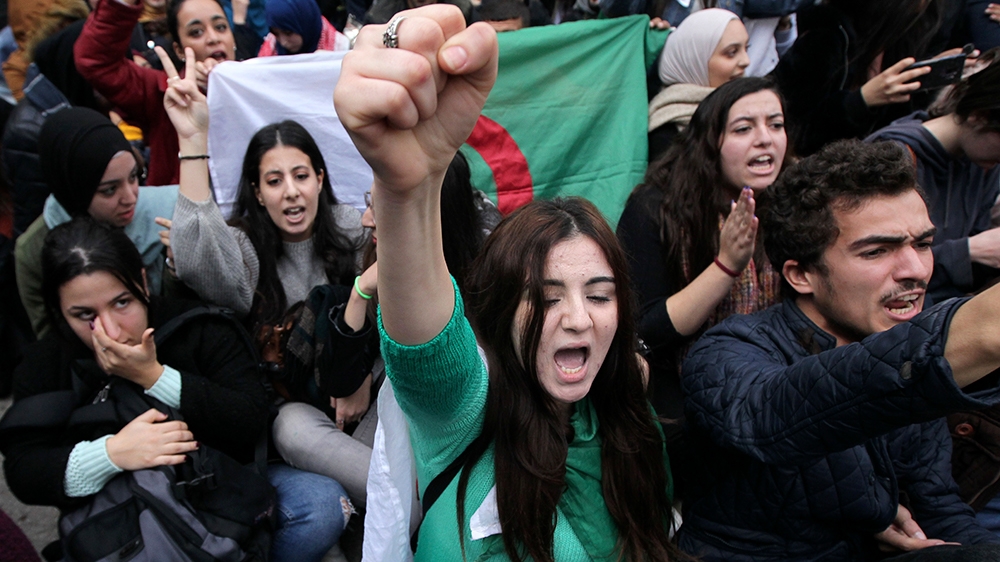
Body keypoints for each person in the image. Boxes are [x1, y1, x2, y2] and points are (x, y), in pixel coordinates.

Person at [335, 6, 680, 559]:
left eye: (598, 294)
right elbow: (427, 347)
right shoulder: (467, 412)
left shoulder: (633, 428)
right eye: (545, 297)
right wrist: (407, 189)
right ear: (500, 311)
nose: (578, 317)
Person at [679, 139, 1000, 561]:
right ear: (801, 274)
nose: (915, 271)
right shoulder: (728, 351)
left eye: (922, 244)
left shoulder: (908, 351)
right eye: (877, 251)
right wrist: (964, 337)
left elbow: (939, 504)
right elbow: (770, 417)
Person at [0, 217, 353, 562]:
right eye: (84, 315)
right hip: (121, 522)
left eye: (122, 303)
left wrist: (155, 377)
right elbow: (24, 470)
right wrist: (110, 454)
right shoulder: (47, 362)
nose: (110, 330)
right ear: (61, 312)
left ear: (142, 281)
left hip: (218, 496)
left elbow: (251, 419)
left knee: (320, 505)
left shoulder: (198, 327)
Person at [155, 47, 376, 516]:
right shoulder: (246, 249)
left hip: (368, 392)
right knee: (292, 427)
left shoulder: (355, 228)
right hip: (300, 415)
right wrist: (193, 138)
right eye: (274, 181)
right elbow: (198, 263)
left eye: (301, 175)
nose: (291, 191)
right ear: (257, 192)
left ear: (320, 178)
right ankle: (412, 511)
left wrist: (356, 379)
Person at [618, 76, 786, 423]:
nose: (765, 139)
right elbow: (645, 331)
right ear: (710, 143)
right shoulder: (654, 209)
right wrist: (726, 266)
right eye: (743, 129)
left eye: (776, 124)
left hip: (777, 387)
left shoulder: (793, 199)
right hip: (684, 405)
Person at [14, 107, 178, 340]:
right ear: (73, 191)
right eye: (109, 190)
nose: (131, 197)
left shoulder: (167, 213)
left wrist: (176, 269)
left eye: (134, 177)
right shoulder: (34, 250)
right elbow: (51, 338)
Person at [74, 0, 259, 186]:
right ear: (179, 50)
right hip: (180, 211)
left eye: (220, 27)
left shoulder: (258, 85)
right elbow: (95, 61)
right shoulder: (163, 93)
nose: (213, 38)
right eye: (196, 32)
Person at [866, 53, 1000, 305]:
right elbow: (872, 268)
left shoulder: (984, 163)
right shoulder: (895, 156)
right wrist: (967, 252)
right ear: (979, 117)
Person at [771, 0, 963, 156]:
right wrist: (861, 101)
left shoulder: (903, 42)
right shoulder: (827, 39)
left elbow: (898, 129)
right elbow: (795, 133)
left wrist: (927, 78)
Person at [647, 8, 749, 161]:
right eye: (732, 52)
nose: (746, 61)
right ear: (694, 60)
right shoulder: (666, 134)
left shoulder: (751, 107)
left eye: (747, 49)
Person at [257, 0, 350, 57]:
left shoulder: (340, 50)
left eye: (288, 33)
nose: (283, 42)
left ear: (305, 23)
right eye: (276, 34)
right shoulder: (270, 49)